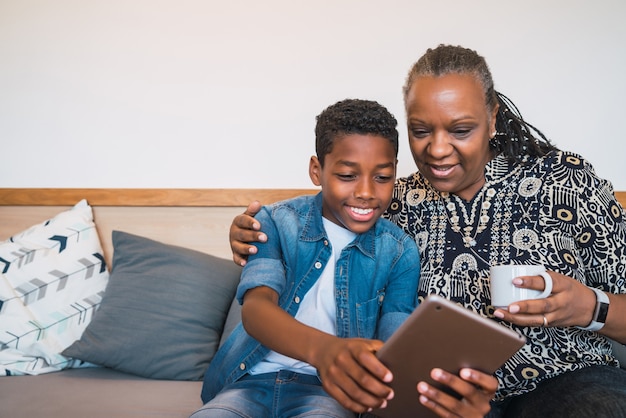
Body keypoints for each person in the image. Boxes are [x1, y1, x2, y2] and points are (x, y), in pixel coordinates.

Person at [229, 44, 626, 417]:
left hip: (567, 383)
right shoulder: (387, 203)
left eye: (460, 130)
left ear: (491, 119)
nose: (436, 149)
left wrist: (591, 307)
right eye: (421, 131)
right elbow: (311, 229)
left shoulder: (567, 181)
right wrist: (251, 231)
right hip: (440, 396)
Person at [194, 98, 494, 418]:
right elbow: (256, 311)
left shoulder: (398, 252)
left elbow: (394, 340)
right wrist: (326, 350)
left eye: (382, 177)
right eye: (348, 175)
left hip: (328, 393)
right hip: (248, 381)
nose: (366, 191)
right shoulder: (275, 222)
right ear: (316, 171)